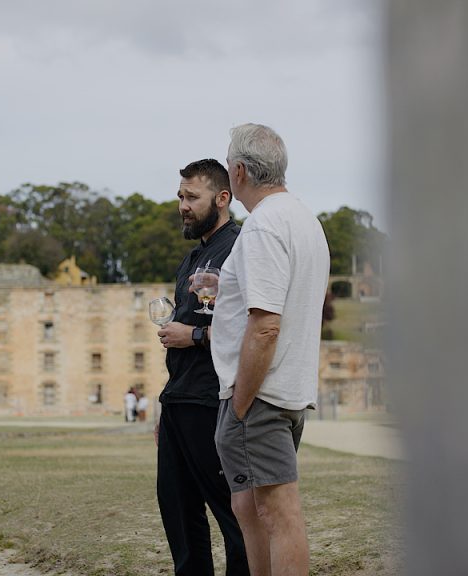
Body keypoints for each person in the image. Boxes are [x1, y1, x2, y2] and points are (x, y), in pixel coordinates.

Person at [211, 124, 329, 575]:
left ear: (239, 171)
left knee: (278, 512)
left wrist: (241, 403)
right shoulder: (304, 220)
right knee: (251, 508)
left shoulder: (263, 225)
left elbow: (265, 326)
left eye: (228, 164)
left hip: (261, 393)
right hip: (287, 390)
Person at [154, 158, 248, 575]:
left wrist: (191, 335)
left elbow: (249, 329)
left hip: (213, 401)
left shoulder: (240, 249)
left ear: (222, 198)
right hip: (178, 400)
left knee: (233, 514)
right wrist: (166, 407)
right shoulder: (192, 258)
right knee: (177, 509)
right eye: (180, 196)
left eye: (192, 197)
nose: (183, 206)